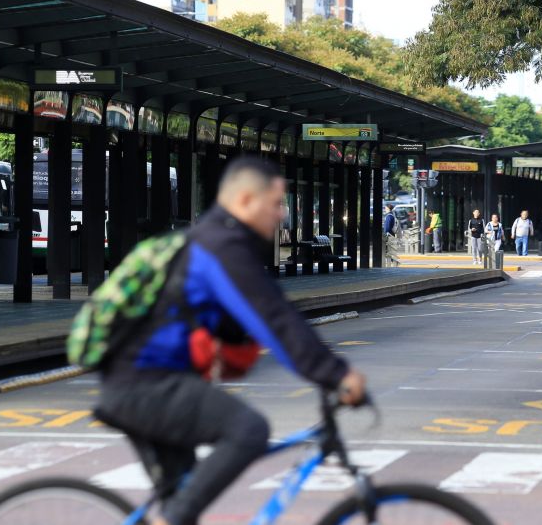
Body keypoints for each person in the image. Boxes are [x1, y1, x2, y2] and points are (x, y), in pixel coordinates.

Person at [95, 157, 367, 525]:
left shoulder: (210, 241)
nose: (281, 214)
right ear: (243, 201)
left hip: (144, 382)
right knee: (248, 430)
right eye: (275, 203)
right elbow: (274, 318)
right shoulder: (220, 248)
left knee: (184, 494)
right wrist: (335, 375)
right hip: (144, 385)